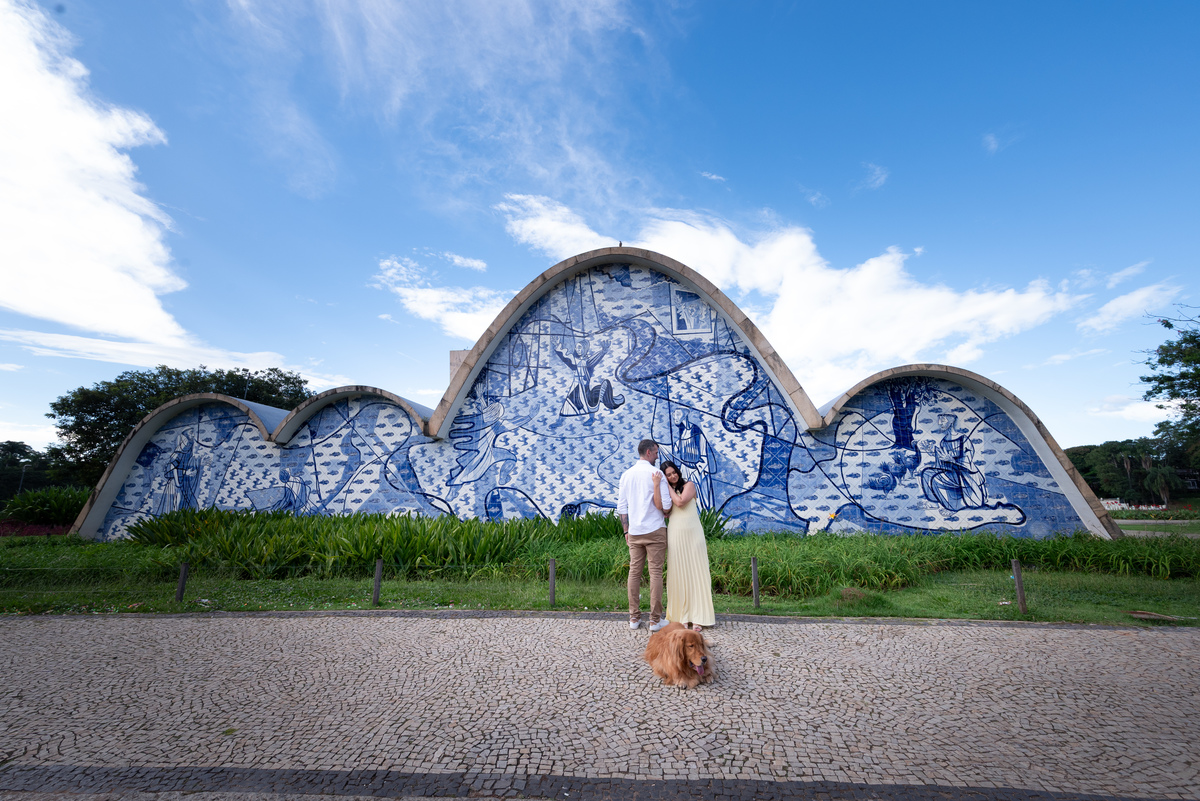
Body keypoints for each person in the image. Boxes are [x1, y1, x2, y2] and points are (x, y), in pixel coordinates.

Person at [616, 439, 672, 631]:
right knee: (655, 573)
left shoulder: (626, 475)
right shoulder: (656, 474)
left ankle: (634, 618)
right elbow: (666, 505)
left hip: (635, 531)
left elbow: (622, 507)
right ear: (648, 452)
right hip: (655, 529)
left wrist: (626, 530)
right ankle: (655, 620)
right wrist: (666, 511)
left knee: (634, 572)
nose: (657, 456)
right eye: (656, 452)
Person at [654, 461, 716, 630]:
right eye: (668, 475)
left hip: (693, 534)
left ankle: (698, 617)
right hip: (675, 534)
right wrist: (659, 487)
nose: (673, 476)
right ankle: (682, 616)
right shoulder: (667, 491)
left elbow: (680, 502)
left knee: (697, 573)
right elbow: (664, 509)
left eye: (674, 472)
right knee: (678, 573)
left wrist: (667, 486)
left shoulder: (689, 485)